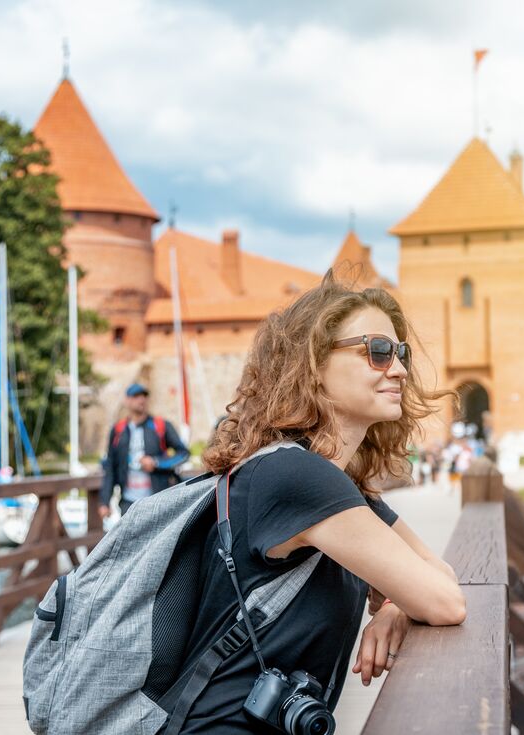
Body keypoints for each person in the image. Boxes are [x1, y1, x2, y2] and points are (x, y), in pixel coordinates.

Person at [178, 276, 466, 732]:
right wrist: (411, 595)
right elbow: (446, 602)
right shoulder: (299, 478)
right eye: (376, 350)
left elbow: (439, 576)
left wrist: (394, 602)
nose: (398, 369)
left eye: (400, 353)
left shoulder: (335, 485)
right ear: (313, 364)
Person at [99, 383, 190, 519]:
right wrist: (105, 502)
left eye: (144, 396)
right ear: (127, 400)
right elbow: (110, 467)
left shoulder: (161, 425)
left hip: (158, 500)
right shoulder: (118, 430)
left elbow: (184, 454)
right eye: (136, 396)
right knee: (130, 540)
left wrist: (156, 463)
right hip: (128, 502)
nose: (141, 400)